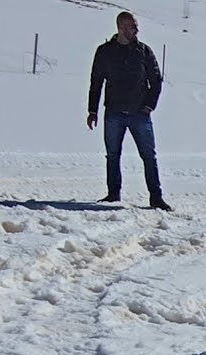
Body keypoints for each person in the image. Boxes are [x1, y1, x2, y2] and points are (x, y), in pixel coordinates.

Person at [87, 11, 171, 211]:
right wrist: (92, 110)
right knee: (112, 155)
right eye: (133, 27)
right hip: (114, 112)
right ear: (122, 28)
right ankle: (113, 194)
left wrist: (149, 105)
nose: (137, 30)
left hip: (139, 114)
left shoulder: (143, 51)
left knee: (148, 156)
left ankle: (156, 197)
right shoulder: (105, 51)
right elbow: (96, 82)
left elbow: (156, 80)